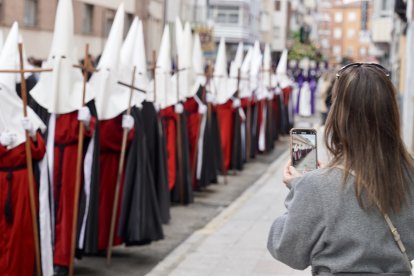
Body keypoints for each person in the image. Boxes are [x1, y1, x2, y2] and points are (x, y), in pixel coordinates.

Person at [267, 63, 414, 274]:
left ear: (338, 115)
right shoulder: (409, 174)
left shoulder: (317, 186)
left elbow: (286, 249)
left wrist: (299, 190)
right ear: (391, 112)